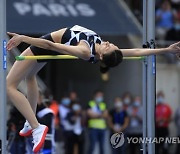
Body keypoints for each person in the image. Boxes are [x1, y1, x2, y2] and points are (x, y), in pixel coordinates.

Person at [6, 25, 180, 153]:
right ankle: (31, 121)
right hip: (50, 45)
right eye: (111, 44)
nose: (109, 42)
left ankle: (37, 127)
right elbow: (135, 52)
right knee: (30, 77)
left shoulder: (84, 50)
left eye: (108, 46)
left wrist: (23, 38)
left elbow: (51, 46)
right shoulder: (105, 51)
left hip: (45, 44)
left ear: (102, 55)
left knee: (9, 86)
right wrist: (166, 49)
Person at [87, 90, 108, 154]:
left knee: (102, 147)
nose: (100, 97)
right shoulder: (90, 104)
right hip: (93, 128)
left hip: (102, 128)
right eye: (98, 95)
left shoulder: (103, 104)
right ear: (94, 96)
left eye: (101, 96)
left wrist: (96, 114)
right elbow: (90, 114)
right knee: (92, 146)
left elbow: (106, 115)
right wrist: (101, 114)